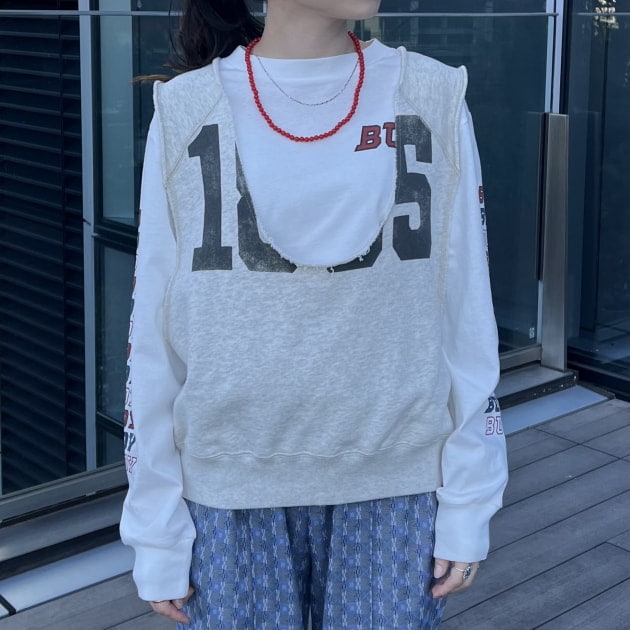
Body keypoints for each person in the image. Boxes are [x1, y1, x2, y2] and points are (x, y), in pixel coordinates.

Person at [119, 0, 509, 628]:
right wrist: (155, 527)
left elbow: (466, 312)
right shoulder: (186, 110)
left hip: (396, 481)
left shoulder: (432, 95)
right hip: (225, 490)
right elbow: (154, 336)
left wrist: (471, 498)